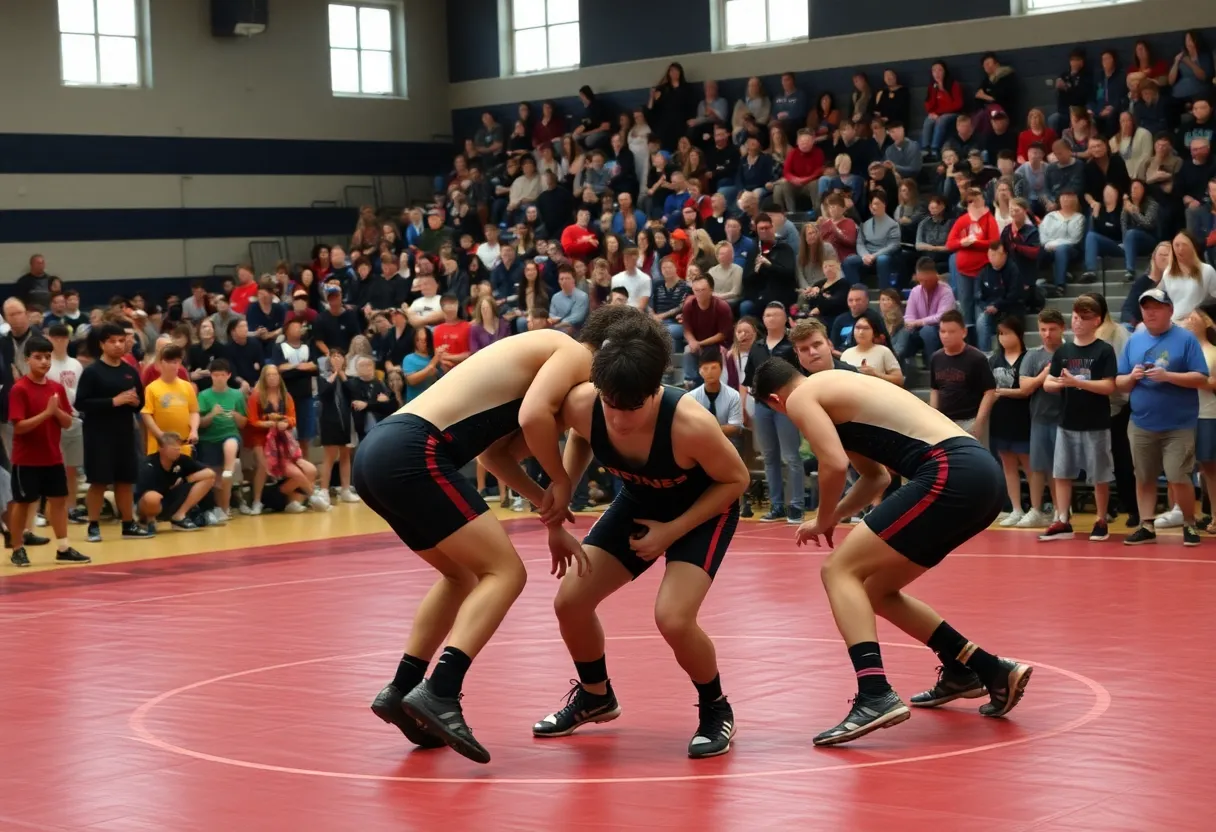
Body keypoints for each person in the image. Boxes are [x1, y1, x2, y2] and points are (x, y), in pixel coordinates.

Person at [352, 306, 638, 765]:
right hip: (413, 450)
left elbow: (494, 459)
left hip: (376, 454)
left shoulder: (539, 366)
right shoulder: (570, 351)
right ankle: (441, 690)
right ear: (609, 351)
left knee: (461, 576)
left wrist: (551, 508)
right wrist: (561, 483)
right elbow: (531, 417)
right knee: (506, 573)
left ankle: (402, 687)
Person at [751, 359, 1031, 746]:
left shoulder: (801, 397)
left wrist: (824, 516)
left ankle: (874, 694)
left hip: (950, 470)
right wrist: (831, 518)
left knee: (838, 571)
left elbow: (832, 465)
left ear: (774, 399)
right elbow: (875, 477)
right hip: (981, 477)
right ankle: (977, 668)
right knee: (875, 590)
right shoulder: (838, 387)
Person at [532, 315, 750, 759]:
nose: (617, 417)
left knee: (672, 618)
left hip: (702, 509)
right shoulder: (585, 404)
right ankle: (596, 697)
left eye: (631, 406)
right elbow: (580, 435)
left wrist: (671, 531)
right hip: (641, 499)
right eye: (610, 403)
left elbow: (737, 480)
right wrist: (563, 492)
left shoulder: (689, 423)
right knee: (569, 602)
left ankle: (716, 708)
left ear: (654, 391)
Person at [7, 336, 88, 567]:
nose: (44, 362)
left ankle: (63, 547)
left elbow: (65, 422)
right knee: (23, 503)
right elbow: (19, 426)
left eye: (47, 357)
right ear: (27, 360)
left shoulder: (56, 388)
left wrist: (56, 412)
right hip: (27, 459)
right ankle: (17, 548)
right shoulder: (19, 389)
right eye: (38, 357)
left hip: (52, 457)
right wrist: (46, 413)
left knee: (59, 501)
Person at [75, 323, 152, 542]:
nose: (118, 345)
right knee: (98, 481)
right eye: (112, 341)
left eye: (121, 340)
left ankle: (128, 524)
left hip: (125, 433)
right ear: (102, 344)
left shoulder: (129, 371)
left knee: (125, 480)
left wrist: (136, 402)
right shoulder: (92, 372)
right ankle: (93, 525)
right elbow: (81, 403)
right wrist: (114, 401)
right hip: (98, 435)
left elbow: (140, 403)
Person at [195, 359, 246, 522]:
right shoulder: (204, 395)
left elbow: (244, 423)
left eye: (222, 375)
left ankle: (229, 468)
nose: (219, 378)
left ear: (228, 375)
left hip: (230, 434)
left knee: (230, 444)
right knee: (216, 479)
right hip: (209, 439)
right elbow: (200, 423)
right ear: (211, 376)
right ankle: (222, 508)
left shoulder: (237, 395)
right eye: (215, 375)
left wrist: (236, 415)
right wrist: (212, 414)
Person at [135, 432, 217, 532]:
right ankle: (147, 521)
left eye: (178, 448)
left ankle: (179, 516)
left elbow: (210, 473)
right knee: (152, 497)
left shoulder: (182, 460)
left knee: (208, 479)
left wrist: (185, 480)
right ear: (161, 448)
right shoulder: (148, 464)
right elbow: (138, 494)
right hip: (151, 503)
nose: (177, 451)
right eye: (173, 448)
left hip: (172, 499)